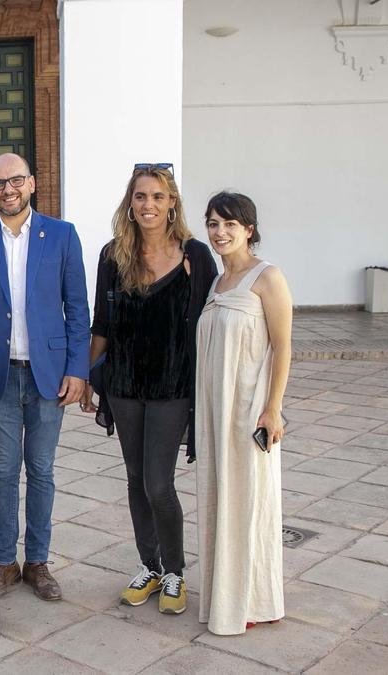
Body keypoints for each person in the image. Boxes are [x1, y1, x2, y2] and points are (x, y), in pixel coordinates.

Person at [0, 153, 90, 602]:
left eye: (15, 180)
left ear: (32, 182)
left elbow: (77, 309)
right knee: (4, 472)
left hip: (49, 376)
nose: (7, 189)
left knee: (43, 471)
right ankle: (2, 562)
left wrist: (77, 369)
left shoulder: (63, 236)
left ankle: (38, 562)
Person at [81, 164, 217, 616]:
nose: (148, 205)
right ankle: (150, 567)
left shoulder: (196, 255)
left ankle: (175, 571)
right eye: (140, 197)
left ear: (172, 201)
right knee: (136, 480)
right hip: (123, 384)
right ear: (130, 203)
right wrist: (84, 376)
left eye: (158, 197)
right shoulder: (112, 255)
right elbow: (102, 322)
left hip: (172, 385)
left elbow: (211, 323)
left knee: (159, 483)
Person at [196, 192, 292, 635]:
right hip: (215, 412)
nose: (220, 232)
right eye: (213, 223)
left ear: (249, 229)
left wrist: (272, 409)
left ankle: (254, 599)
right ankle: (226, 597)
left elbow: (283, 346)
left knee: (250, 503)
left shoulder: (267, 277)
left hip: (250, 410)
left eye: (230, 224)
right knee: (222, 500)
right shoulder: (216, 284)